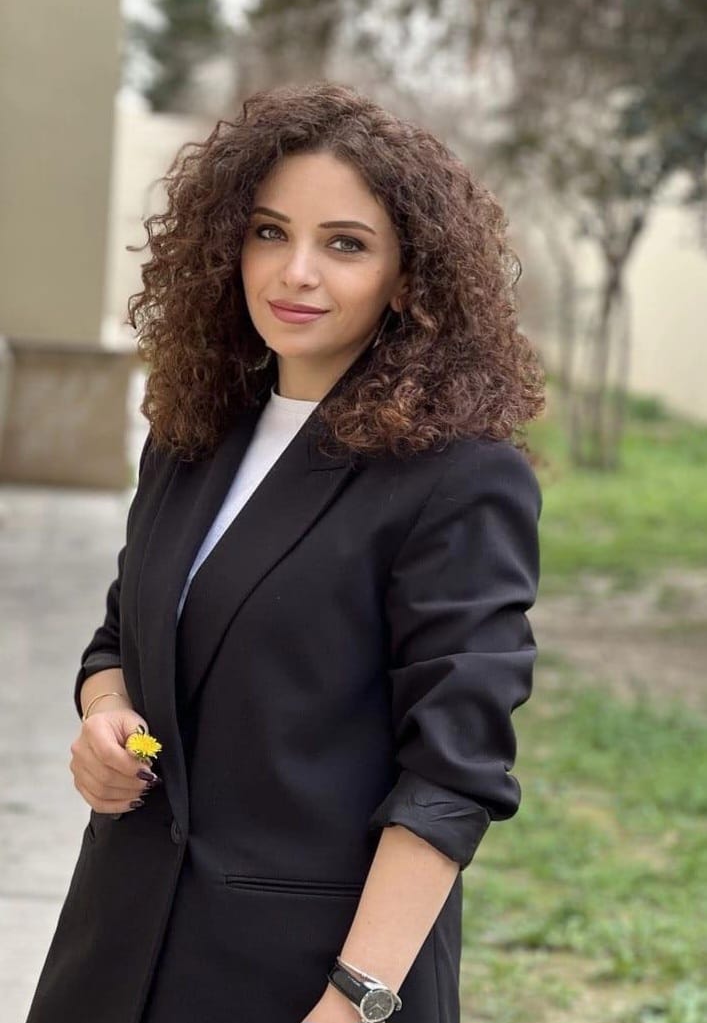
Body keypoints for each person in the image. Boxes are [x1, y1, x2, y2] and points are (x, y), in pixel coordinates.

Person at [26, 80, 544, 1023]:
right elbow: (117, 640)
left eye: (344, 244)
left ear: (408, 277)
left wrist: (353, 1001)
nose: (294, 271)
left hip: (310, 978)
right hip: (114, 952)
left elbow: (451, 774)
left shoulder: (460, 478)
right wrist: (105, 718)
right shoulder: (192, 433)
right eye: (269, 232)